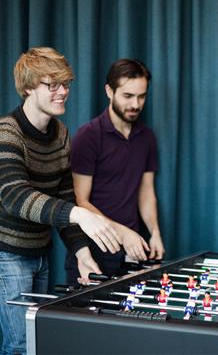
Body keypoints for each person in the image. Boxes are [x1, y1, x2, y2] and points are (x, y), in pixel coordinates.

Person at [0, 47, 123, 355]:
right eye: (51, 84)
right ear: (28, 87)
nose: (63, 92)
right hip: (3, 252)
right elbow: (16, 199)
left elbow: (63, 196)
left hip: (38, 251)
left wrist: (81, 251)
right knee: (22, 347)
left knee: (36, 343)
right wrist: (82, 215)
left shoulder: (60, 134)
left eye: (66, 84)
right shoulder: (4, 134)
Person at [65, 59, 165, 284]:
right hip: (92, 253)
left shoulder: (147, 137)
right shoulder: (88, 137)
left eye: (142, 96)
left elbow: (146, 192)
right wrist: (122, 233)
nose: (136, 104)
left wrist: (155, 233)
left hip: (132, 254)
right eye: (128, 96)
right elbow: (81, 201)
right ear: (109, 91)